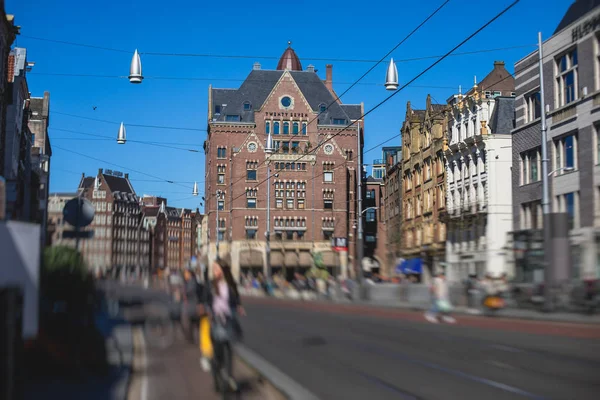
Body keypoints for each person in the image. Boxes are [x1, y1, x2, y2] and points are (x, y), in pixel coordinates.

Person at [205, 259, 245, 390]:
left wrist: (239, 307)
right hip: (216, 321)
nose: (215, 271)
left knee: (228, 349)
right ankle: (216, 371)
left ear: (223, 270)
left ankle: (228, 376)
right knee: (218, 353)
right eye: (214, 269)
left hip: (228, 320)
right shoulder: (211, 285)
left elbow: (236, 299)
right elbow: (206, 300)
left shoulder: (230, 285)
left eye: (217, 269)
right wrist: (207, 311)